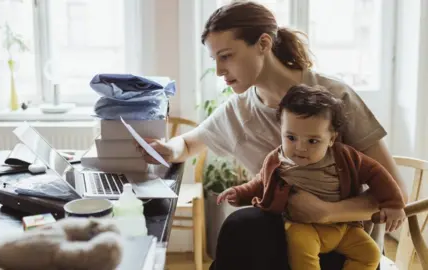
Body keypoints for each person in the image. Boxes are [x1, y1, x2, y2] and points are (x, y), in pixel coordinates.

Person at [136, 1, 408, 269]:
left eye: (226, 55)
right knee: (244, 228)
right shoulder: (238, 111)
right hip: (286, 234)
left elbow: (397, 191)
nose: (219, 70)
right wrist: (167, 149)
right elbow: (186, 144)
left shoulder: (333, 96)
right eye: (215, 59)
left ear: (264, 44)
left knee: (245, 228)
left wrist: (327, 213)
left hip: (347, 241)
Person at [217, 85, 406, 270]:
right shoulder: (277, 160)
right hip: (302, 227)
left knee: (369, 254)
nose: (300, 148)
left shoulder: (345, 157)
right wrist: (239, 194)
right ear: (281, 131)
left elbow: (377, 174)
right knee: (302, 254)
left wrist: (393, 204)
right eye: (291, 137)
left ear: (331, 139)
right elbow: (260, 183)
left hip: (343, 228)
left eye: (313, 141)